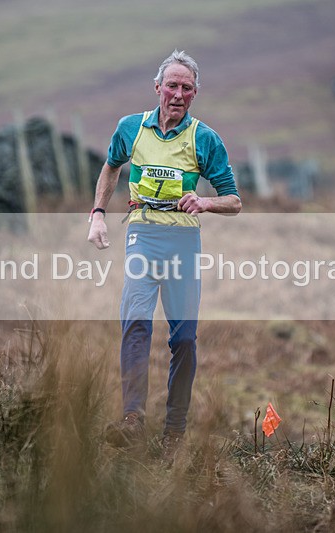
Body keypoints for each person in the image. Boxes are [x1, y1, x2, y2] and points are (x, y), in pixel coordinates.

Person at [86, 50, 241, 462]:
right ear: (157, 88)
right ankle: (133, 420)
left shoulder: (204, 139)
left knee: (184, 340)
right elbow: (111, 167)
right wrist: (98, 215)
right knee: (135, 322)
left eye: (186, 88)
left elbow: (234, 200)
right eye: (171, 85)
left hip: (184, 245)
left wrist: (206, 204)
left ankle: (174, 431)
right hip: (142, 235)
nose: (177, 93)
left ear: (194, 95)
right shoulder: (130, 128)